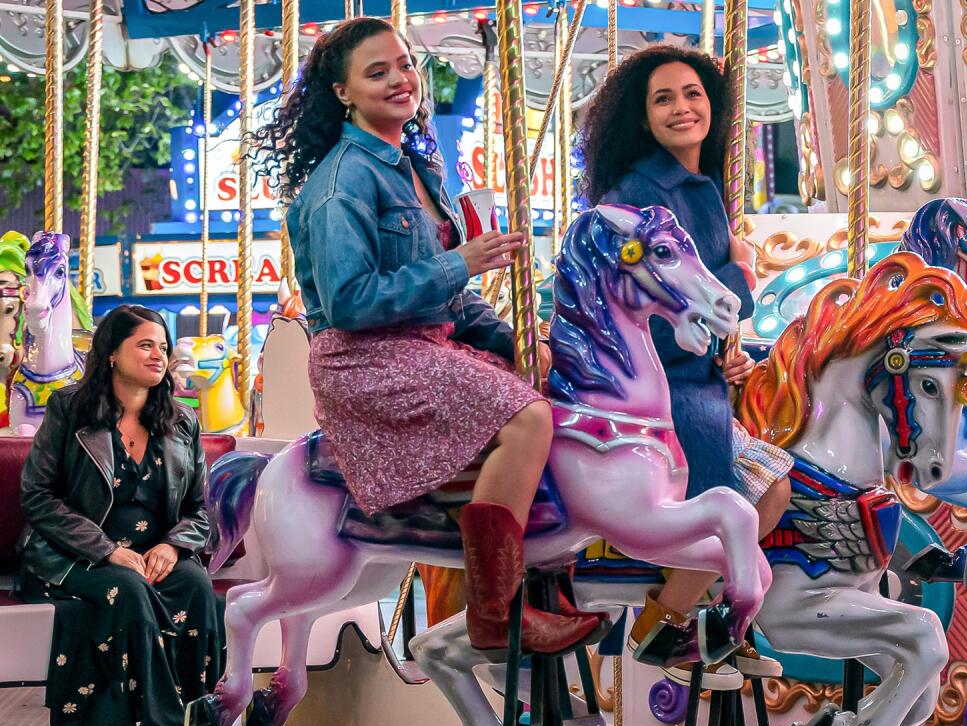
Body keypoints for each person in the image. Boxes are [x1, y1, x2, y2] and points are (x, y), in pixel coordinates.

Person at [249, 17, 604, 656]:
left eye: (405, 65)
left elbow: (450, 297)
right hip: (366, 357)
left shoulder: (416, 166)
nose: (400, 80)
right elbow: (351, 301)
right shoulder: (342, 182)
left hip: (422, 345)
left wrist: (512, 338)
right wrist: (460, 261)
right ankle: (495, 613)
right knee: (526, 419)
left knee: (558, 390)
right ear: (344, 92)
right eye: (377, 71)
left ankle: (548, 572)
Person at [580, 45, 793, 690]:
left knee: (775, 485)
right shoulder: (643, 197)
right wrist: (745, 274)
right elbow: (679, 301)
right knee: (748, 497)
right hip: (660, 384)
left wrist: (732, 352)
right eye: (664, 98)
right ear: (642, 118)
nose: (683, 107)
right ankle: (667, 620)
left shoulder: (699, 187)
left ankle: (703, 618)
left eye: (693, 94)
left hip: (695, 372)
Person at [17, 305, 220, 726]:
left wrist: (174, 547)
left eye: (164, 347)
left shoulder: (182, 421)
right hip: (71, 556)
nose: (159, 355)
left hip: (153, 557)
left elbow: (199, 510)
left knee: (195, 584)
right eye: (145, 345)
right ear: (111, 352)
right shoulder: (71, 410)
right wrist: (106, 550)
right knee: (126, 589)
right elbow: (38, 496)